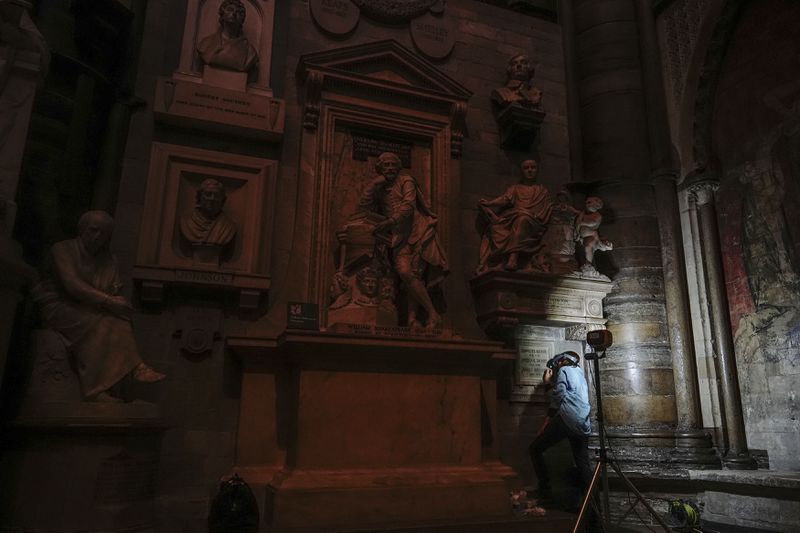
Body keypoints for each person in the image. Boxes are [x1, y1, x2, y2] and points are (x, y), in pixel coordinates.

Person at [31, 211, 165, 402]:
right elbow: (72, 285)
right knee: (101, 323)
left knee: (120, 321)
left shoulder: (109, 260)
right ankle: (99, 387)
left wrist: (119, 302)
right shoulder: (62, 249)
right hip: (59, 306)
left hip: (91, 308)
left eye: (103, 234)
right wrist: (109, 301)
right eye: (93, 231)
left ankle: (111, 383)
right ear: (82, 229)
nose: (97, 237)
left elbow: (114, 288)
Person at [357, 152, 448, 329]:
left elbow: (408, 206)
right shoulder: (380, 188)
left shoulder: (406, 180)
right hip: (398, 237)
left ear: (398, 168)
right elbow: (363, 205)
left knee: (409, 273)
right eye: (386, 165)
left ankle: (427, 315)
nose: (390, 168)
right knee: (407, 274)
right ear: (380, 169)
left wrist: (389, 222)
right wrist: (373, 183)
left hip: (417, 231)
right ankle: (416, 319)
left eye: (393, 165)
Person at [529, 351, 592, 506]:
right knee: (582, 463)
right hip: (583, 423)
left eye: (557, 364)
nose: (557, 367)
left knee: (535, 449)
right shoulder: (580, 373)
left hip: (567, 418)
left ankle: (545, 492)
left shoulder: (565, 371)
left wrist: (547, 384)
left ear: (563, 361)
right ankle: (592, 501)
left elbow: (558, 397)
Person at [477, 159, 553, 272]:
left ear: (537, 170)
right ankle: (499, 260)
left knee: (522, 220)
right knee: (495, 227)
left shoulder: (543, 191)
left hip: (534, 222)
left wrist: (535, 215)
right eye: (526, 168)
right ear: (521, 172)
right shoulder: (516, 188)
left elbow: (546, 210)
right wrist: (489, 203)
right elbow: (504, 199)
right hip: (515, 216)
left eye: (533, 167)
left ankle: (513, 258)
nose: (530, 170)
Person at [196, 0, 258, 74]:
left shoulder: (250, 51)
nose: (234, 13)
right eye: (230, 9)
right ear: (222, 14)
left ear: (242, 20)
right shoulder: (205, 44)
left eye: (239, 12)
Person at [180, 178, 237, 247]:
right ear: (199, 197)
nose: (212, 198)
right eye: (208, 194)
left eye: (217, 195)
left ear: (223, 201)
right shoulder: (186, 221)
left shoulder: (228, 226)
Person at [574, 196, 612, 268]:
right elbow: (577, 223)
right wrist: (577, 232)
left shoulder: (597, 215)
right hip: (581, 236)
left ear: (597, 205)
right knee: (581, 251)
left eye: (589, 202)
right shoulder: (583, 213)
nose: (587, 204)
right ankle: (583, 265)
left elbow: (593, 222)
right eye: (586, 202)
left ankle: (588, 264)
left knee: (589, 247)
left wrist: (582, 223)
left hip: (591, 236)